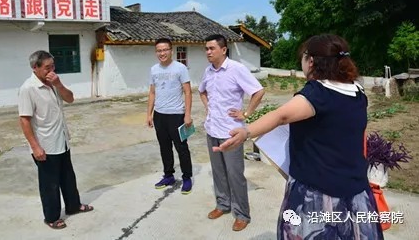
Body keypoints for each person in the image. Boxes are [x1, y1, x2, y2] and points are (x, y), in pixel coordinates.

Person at [214, 34, 384, 240]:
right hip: (355, 189)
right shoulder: (357, 92)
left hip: (318, 192)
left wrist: (247, 131)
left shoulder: (318, 93)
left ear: (311, 61)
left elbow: (281, 115)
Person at [18, 50, 93, 230]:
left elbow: (70, 98)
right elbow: (24, 120)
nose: (51, 70)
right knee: (49, 184)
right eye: (47, 67)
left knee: (68, 177)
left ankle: (73, 206)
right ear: (34, 68)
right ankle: (51, 217)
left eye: (53, 66)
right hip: (45, 145)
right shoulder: (28, 88)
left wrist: (58, 84)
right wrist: (35, 147)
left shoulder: (52, 83)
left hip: (62, 140)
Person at [199, 34, 265, 232]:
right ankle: (223, 205)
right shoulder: (208, 71)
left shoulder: (237, 69)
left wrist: (246, 113)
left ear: (223, 49)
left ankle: (242, 214)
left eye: (211, 48)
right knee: (219, 172)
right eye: (206, 49)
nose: (208, 52)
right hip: (212, 129)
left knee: (235, 174)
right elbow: (202, 91)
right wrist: (208, 107)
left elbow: (258, 91)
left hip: (231, 132)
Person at [146, 38, 194, 194]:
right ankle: (168, 176)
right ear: (156, 52)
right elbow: (152, 92)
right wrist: (149, 114)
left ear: (171, 50)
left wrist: (187, 114)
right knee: (164, 147)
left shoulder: (180, 68)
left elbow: (187, 91)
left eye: (165, 50)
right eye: (159, 50)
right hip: (160, 115)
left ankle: (187, 178)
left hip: (177, 115)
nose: (162, 53)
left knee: (181, 148)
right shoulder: (154, 69)